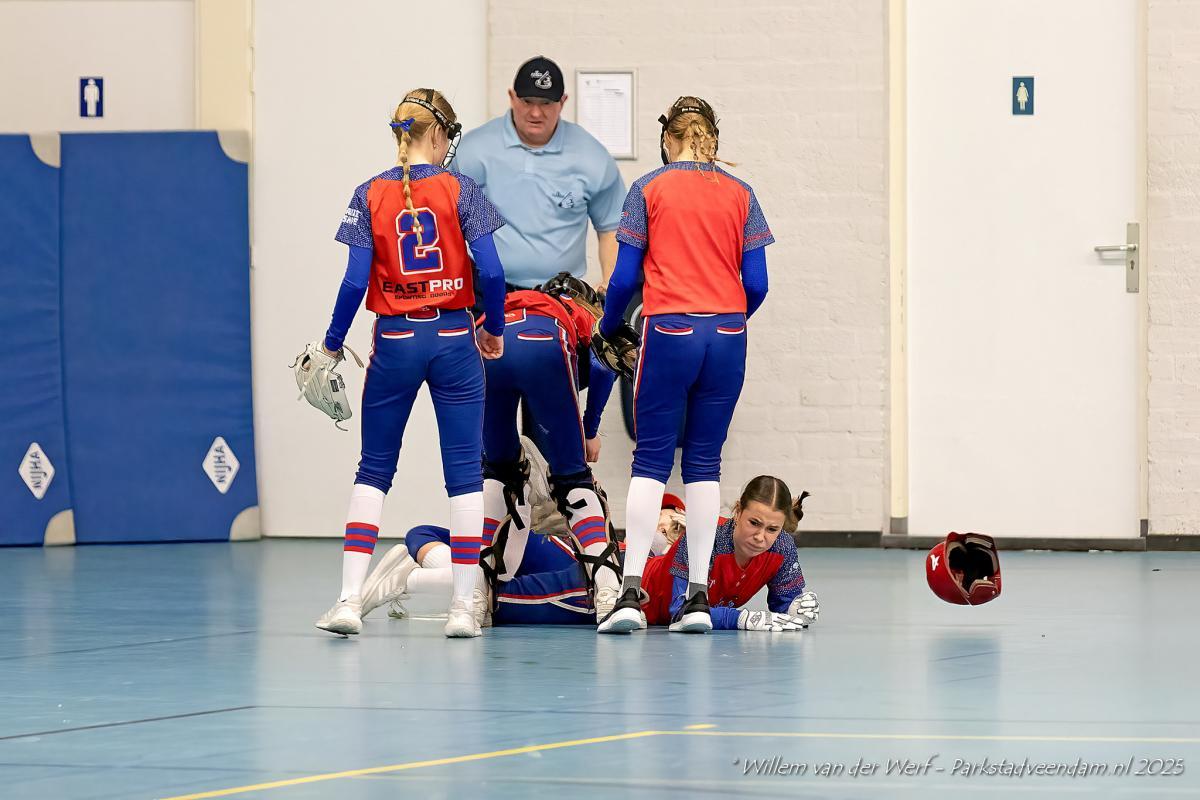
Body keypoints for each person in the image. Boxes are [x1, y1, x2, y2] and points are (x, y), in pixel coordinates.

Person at [310, 88, 508, 639]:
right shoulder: (462, 189)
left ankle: (349, 599)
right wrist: (492, 328)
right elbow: (492, 271)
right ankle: (463, 608)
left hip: (395, 339)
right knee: (464, 473)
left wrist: (332, 343)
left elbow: (354, 281)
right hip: (453, 338)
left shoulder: (368, 191)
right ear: (439, 134)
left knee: (374, 469)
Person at [593, 97, 775, 634]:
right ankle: (696, 598)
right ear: (713, 139)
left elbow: (623, 279)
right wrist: (730, 317)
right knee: (704, 463)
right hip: (728, 334)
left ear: (667, 139)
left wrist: (609, 325)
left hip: (669, 330)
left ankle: (630, 593)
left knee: (651, 460)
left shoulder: (647, 188)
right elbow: (758, 282)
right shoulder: (742, 193)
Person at [357, 475, 819, 633]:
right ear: (736, 512)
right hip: (604, 588)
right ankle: (409, 576)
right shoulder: (707, 536)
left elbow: (785, 606)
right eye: (753, 523)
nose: (761, 536)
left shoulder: (781, 550)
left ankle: (413, 569)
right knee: (487, 593)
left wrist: (798, 607)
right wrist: (741, 618)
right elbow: (684, 610)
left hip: (599, 571)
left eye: (771, 529)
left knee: (495, 589)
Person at [478, 274, 622, 617]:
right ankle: (607, 589)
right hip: (546, 341)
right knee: (573, 480)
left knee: (498, 475)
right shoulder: (584, 311)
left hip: (486, 347)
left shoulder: (512, 302)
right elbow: (604, 367)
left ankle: (474, 597)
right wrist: (590, 429)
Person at [453, 56, 626, 290]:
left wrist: (610, 286)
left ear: (562, 102)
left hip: (561, 292)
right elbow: (445, 219)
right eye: (527, 101)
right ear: (512, 97)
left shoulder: (591, 155)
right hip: (485, 290)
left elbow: (612, 227)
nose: (535, 113)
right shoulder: (473, 150)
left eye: (546, 103)